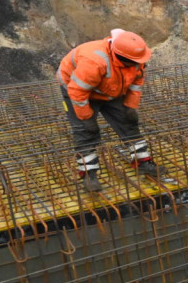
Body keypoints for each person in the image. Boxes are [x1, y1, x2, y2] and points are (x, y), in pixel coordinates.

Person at [58, 29, 165, 193]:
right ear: (121, 57)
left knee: (129, 123)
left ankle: (143, 162)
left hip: (111, 89)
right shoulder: (94, 61)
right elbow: (78, 92)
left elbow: (137, 83)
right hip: (78, 90)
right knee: (85, 132)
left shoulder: (136, 59)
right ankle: (89, 174)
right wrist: (86, 118)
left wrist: (130, 106)